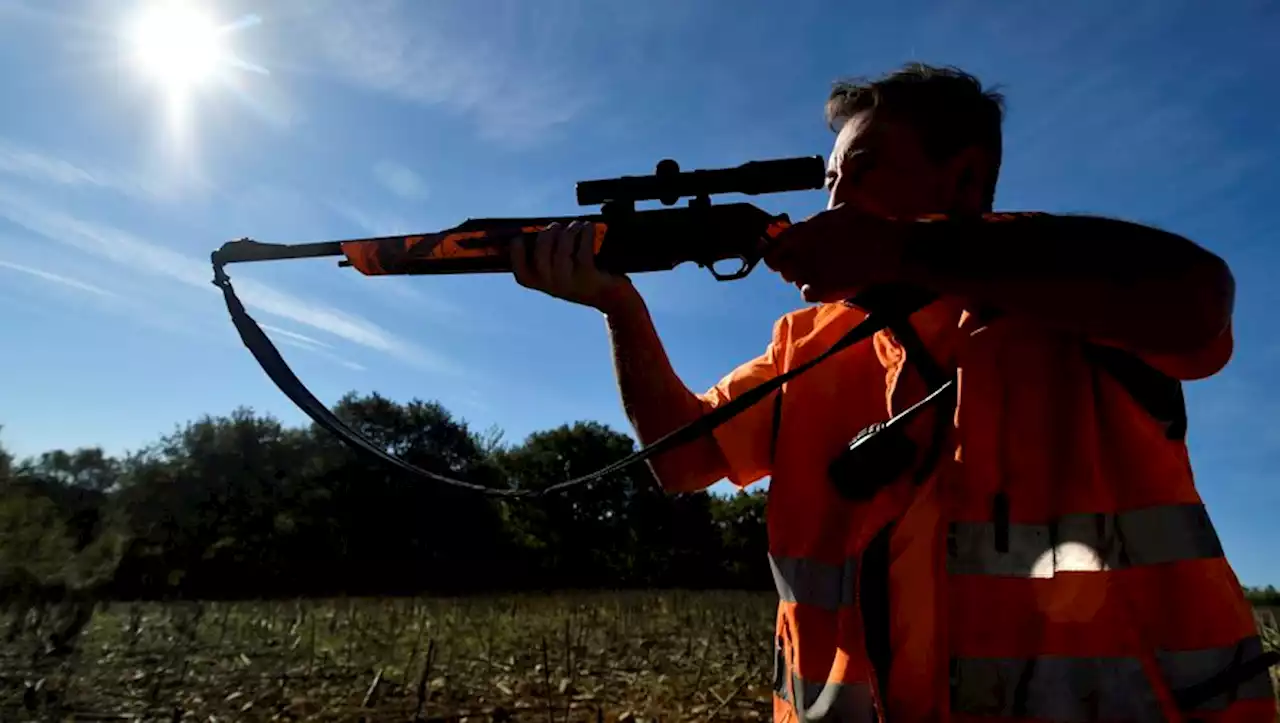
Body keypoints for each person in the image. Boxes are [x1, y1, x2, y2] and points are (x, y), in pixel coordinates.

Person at [511, 63, 1275, 722]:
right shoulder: (805, 344)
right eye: (834, 179)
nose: (835, 199)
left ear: (966, 178)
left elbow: (1197, 298)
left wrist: (906, 249)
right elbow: (682, 463)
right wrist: (621, 308)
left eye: (866, 168)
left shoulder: (1083, 294)